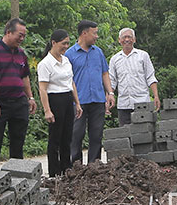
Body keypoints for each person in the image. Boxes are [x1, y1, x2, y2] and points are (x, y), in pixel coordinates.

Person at [0, 18, 37, 168]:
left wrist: (30, 97)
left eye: (24, 36)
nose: (22, 39)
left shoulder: (21, 54)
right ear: (9, 32)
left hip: (19, 103)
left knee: (18, 141)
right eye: (19, 35)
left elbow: (24, 77)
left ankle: (17, 174)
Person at [65, 20, 114, 165]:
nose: (96, 36)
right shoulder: (70, 54)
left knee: (96, 135)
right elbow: (67, 79)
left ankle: (94, 166)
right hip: (78, 101)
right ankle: (76, 166)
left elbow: (105, 73)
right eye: (95, 33)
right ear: (84, 33)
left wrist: (110, 92)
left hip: (98, 100)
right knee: (76, 135)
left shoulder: (98, 52)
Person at [38, 29, 83, 176]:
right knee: (55, 138)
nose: (65, 46)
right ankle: (54, 172)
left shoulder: (66, 61)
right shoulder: (45, 63)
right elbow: (43, 89)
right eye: (63, 43)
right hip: (54, 100)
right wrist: (47, 110)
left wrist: (77, 103)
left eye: (68, 44)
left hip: (67, 99)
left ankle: (66, 169)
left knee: (67, 137)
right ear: (54, 43)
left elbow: (71, 83)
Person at [109, 28, 160, 125]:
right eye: (124, 37)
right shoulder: (114, 59)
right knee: (125, 135)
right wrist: (109, 96)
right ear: (119, 40)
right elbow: (112, 81)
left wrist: (156, 96)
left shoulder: (143, 56)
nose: (127, 40)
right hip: (124, 105)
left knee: (145, 134)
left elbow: (150, 77)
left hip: (142, 102)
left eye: (129, 37)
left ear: (134, 40)